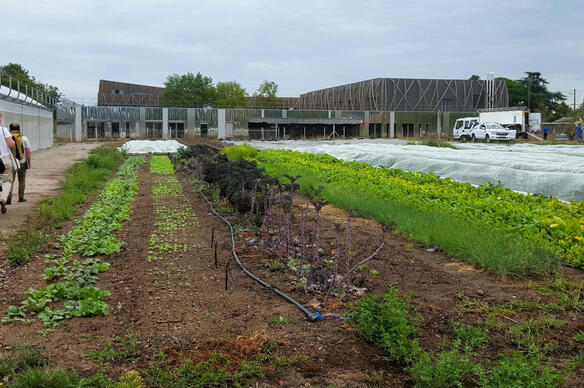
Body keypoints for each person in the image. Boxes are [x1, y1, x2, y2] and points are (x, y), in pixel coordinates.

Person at [7, 122, 31, 204]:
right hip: (22, 162)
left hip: (11, 162)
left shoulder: (7, 138)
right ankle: (21, 197)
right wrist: (29, 162)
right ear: (19, 129)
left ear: (9, 129)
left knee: (10, 181)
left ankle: (8, 199)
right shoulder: (24, 138)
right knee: (21, 181)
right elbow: (28, 152)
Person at [0, 113, 16, 214]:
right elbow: (11, 144)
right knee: (6, 181)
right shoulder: (3, 130)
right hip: (4, 159)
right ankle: (2, 199)